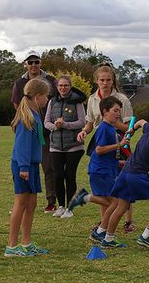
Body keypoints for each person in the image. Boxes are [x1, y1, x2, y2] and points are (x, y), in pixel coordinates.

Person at [101, 109, 149, 249]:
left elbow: (141, 122)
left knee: (121, 206)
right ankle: (146, 236)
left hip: (125, 173)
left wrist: (131, 130)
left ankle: (108, 238)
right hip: (137, 175)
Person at [76, 64, 136, 233]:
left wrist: (114, 122)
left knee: (123, 183)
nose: (105, 83)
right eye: (102, 80)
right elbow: (89, 124)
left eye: (108, 80)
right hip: (101, 139)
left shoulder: (122, 100)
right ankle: (105, 223)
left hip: (120, 141)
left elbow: (129, 128)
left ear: (113, 80)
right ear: (96, 81)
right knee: (105, 189)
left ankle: (128, 221)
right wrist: (83, 132)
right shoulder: (92, 99)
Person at [68, 96, 129, 242]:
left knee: (111, 203)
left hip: (107, 169)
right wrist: (119, 145)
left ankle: (100, 230)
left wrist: (120, 163)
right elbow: (100, 150)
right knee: (115, 203)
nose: (118, 114)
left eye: (119, 111)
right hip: (101, 171)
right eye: (115, 110)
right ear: (105, 111)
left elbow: (107, 154)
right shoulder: (103, 128)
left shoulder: (110, 127)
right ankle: (98, 227)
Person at [5, 78, 50, 257]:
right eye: (46, 96)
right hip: (23, 166)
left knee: (31, 204)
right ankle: (12, 246)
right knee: (21, 203)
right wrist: (24, 167)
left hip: (32, 165)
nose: (47, 100)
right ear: (38, 96)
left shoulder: (35, 114)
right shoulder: (27, 118)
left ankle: (26, 242)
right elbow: (22, 145)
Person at [11, 50, 57, 214]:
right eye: (30, 62)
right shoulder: (19, 83)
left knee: (48, 167)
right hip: (31, 134)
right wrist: (23, 167)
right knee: (23, 200)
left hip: (46, 131)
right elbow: (17, 104)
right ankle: (18, 208)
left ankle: (51, 201)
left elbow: (57, 101)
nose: (33, 65)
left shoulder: (50, 80)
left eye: (36, 61)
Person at [43, 76, 87, 217]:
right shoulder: (52, 101)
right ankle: (61, 205)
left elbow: (82, 122)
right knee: (57, 176)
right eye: (60, 85)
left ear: (70, 86)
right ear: (57, 87)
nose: (63, 88)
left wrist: (66, 125)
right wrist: (55, 126)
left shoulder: (77, 101)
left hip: (73, 146)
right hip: (55, 145)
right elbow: (46, 122)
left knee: (69, 175)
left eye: (66, 85)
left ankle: (69, 207)